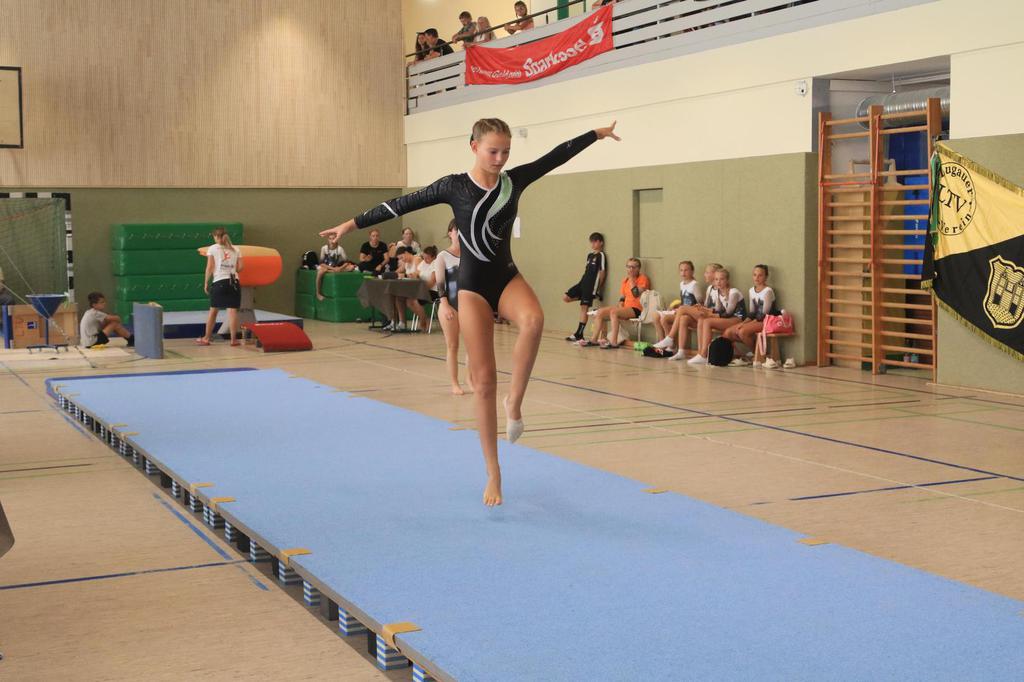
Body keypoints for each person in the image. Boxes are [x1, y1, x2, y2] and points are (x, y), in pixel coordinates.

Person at [320, 118, 621, 505]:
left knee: (534, 320)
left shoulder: (513, 181)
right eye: (493, 151)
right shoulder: (455, 186)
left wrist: (596, 134)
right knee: (484, 382)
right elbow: (399, 205)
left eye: (506, 151)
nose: (500, 159)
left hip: (506, 277)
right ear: (474, 147)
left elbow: (556, 156)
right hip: (473, 287)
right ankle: (494, 472)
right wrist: (350, 224)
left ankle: (515, 403)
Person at [435, 220, 474, 395]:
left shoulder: (470, 255)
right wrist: (445, 306)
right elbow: (440, 285)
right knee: (453, 345)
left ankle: (469, 378)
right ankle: (454, 383)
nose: (460, 234)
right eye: (457, 230)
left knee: (472, 346)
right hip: (449, 305)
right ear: (450, 232)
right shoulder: (442, 256)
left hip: (468, 306)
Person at [580, 257, 649, 348]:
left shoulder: (643, 278)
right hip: (626, 308)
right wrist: (620, 304)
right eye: (628, 267)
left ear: (638, 268)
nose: (631, 269)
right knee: (600, 312)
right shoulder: (625, 281)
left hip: (637, 309)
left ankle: (613, 342)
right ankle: (594, 340)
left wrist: (632, 279)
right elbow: (623, 297)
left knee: (614, 312)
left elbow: (635, 294)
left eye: (633, 267)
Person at [197, 227, 244, 346]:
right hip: (234, 282)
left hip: (219, 282)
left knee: (213, 310)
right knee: (232, 311)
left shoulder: (213, 248)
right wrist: (231, 269)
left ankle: (206, 338)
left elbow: (210, 267)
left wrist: (206, 282)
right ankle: (233, 340)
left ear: (216, 237)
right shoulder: (236, 249)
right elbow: (241, 267)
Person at [688, 267, 745, 365]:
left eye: (721, 279)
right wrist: (704, 309)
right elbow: (718, 310)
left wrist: (711, 315)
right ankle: (700, 352)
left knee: (707, 322)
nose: (718, 282)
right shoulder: (718, 292)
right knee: (702, 319)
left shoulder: (733, 292)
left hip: (737, 319)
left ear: (727, 280)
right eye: (716, 279)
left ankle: (704, 354)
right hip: (728, 318)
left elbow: (728, 313)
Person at [664, 262, 720, 361]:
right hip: (705, 314)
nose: (704, 274)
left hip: (713, 316)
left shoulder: (719, 289)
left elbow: (718, 310)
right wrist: (699, 307)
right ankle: (681, 351)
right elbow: (705, 306)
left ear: (715, 274)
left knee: (683, 309)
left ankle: (670, 338)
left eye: (707, 272)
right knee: (683, 318)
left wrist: (703, 309)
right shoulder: (710, 288)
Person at [723, 264, 776, 367]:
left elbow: (764, 314)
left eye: (760, 275)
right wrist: (743, 323)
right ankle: (740, 355)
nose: (757, 278)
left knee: (742, 331)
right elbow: (752, 312)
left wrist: (746, 325)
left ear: (766, 277)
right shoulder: (751, 290)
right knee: (728, 332)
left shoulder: (768, 291)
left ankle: (759, 355)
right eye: (754, 275)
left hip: (766, 321)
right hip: (756, 321)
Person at [563, 232, 606, 341]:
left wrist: (599, 288)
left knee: (584, 307)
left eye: (595, 242)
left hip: (591, 285)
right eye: (592, 242)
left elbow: (602, 272)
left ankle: (579, 334)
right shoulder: (590, 255)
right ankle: (585, 298)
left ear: (601, 243)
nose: (593, 244)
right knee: (566, 297)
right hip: (582, 283)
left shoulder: (601, 255)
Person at [650, 260, 700, 351]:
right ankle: (663, 344)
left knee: (664, 319)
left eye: (686, 270)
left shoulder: (694, 285)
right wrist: (676, 306)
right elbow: (684, 302)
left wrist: (683, 309)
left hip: (689, 314)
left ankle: (671, 344)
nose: (683, 273)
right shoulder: (682, 284)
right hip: (682, 311)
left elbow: (699, 304)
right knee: (655, 315)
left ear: (692, 271)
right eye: (681, 270)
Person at [390, 246, 428, 331]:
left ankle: (424, 319)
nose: (402, 260)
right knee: (397, 297)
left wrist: (404, 275)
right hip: (410, 289)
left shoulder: (417, 259)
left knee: (410, 300)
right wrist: (389, 275)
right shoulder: (406, 263)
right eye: (400, 259)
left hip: (420, 288)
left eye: (402, 257)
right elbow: (398, 271)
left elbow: (417, 274)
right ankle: (401, 322)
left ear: (406, 253)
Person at [315, 233, 355, 301]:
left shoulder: (340, 249)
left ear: (336, 239)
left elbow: (346, 262)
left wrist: (340, 268)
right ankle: (318, 293)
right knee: (320, 272)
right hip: (326, 267)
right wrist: (333, 269)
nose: (332, 241)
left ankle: (330, 271)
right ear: (328, 240)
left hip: (335, 267)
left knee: (351, 267)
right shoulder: (324, 248)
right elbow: (321, 263)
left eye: (333, 239)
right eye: (330, 239)